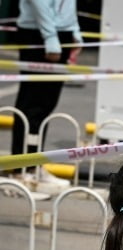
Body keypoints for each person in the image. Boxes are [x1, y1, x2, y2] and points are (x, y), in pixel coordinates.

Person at [11, 0, 82, 185]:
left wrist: (73, 29)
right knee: (31, 102)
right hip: (38, 32)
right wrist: (50, 36)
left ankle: (34, 165)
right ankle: (20, 168)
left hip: (60, 31)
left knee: (46, 103)